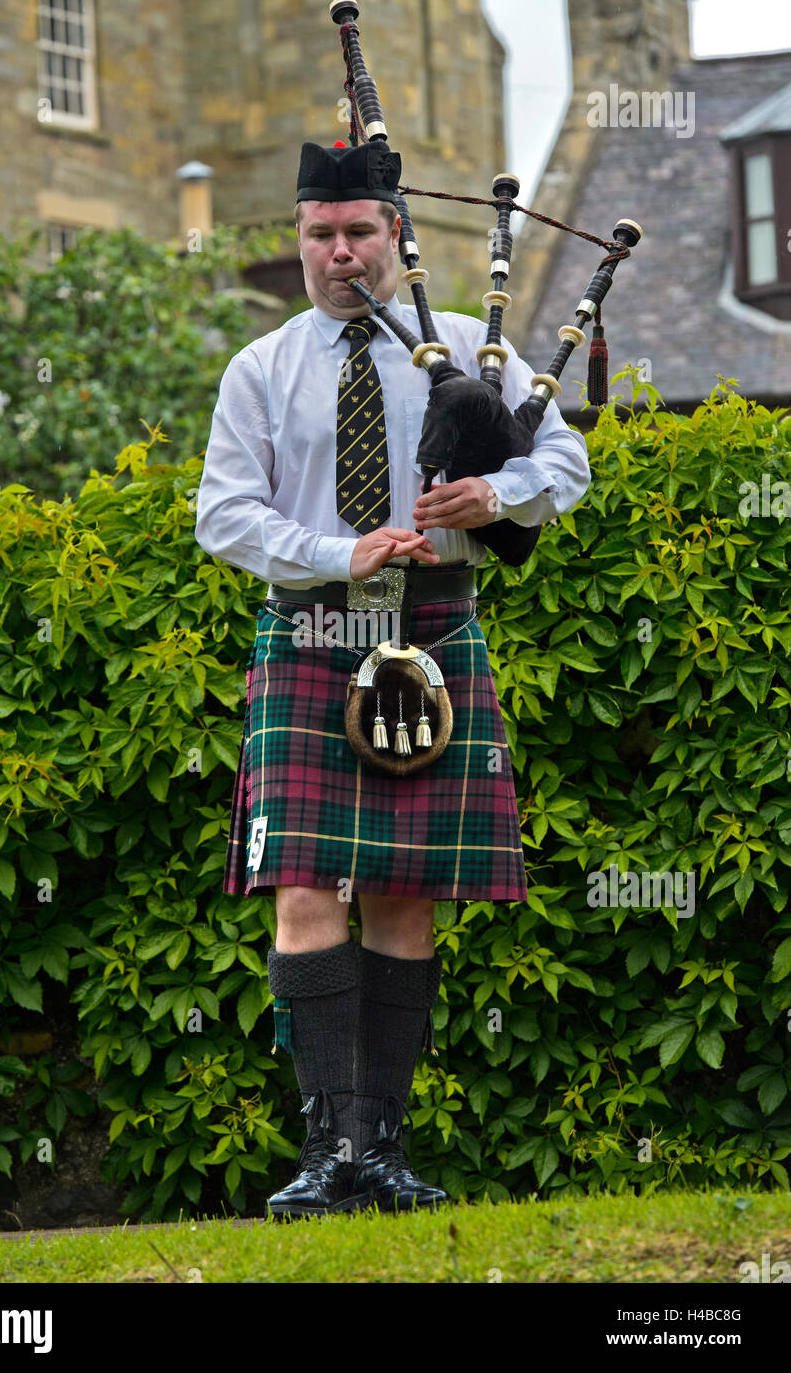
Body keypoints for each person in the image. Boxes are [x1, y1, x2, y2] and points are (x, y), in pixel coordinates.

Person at [194, 138, 590, 1218]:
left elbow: (563, 465)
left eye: (358, 231)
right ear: (300, 241)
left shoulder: (472, 350)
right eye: (319, 234)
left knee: (408, 897)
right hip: (314, 632)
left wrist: (495, 497)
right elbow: (222, 516)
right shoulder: (262, 367)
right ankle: (328, 1153)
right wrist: (340, 551)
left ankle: (385, 1149)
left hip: (432, 635)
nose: (339, 253)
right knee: (302, 890)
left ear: (395, 236)